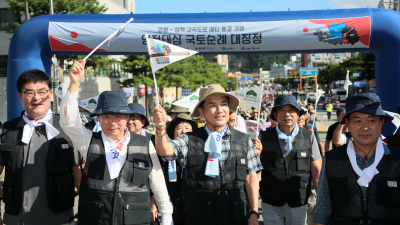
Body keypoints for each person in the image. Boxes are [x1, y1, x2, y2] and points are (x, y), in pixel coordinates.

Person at [60, 60, 173, 225]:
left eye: (118, 117)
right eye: (106, 117)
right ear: (98, 118)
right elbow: (68, 122)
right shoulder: (88, 140)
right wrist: (74, 84)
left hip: (135, 219)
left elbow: (157, 182)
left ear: (127, 118)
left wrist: (167, 216)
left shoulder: (145, 142)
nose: (112, 122)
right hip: (96, 219)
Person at [153, 84, 263, 225]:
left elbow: (251, 177)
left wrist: (254, 211)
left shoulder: (244, 140)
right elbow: (164, 151)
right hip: (198, 218)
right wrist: (161, 127)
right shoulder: (189, 139)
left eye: (223, 104)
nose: (219, 110)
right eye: (212, 105)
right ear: (202, 112)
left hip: (236, 217)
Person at [0, 69, 82, 225]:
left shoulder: (67, 129)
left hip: (60, 218)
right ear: (20, 96)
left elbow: (79, 173)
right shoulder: (6, 130)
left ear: (50, 93)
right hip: (16, 218)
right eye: (29, 92)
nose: (36, 98)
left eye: (42, 91)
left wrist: (86, 214)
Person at [313, 93, 400, 225]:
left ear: (381, 122)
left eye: (371, 120)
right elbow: (322, 211)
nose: (365, 127)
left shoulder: (397, 159)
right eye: (358, 121)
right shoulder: (332, 159)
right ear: (347, 123)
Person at [258, 95, 322, 225]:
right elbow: (255, 171)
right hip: (271, 201)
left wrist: (321, 202)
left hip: (299, 200)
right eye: (281, 110)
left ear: (298, 114)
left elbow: (317, 171)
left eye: (291, 109)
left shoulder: (308, 136)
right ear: (275, 114)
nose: (287, 114)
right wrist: (256, 154)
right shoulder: (264, 137)